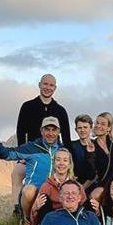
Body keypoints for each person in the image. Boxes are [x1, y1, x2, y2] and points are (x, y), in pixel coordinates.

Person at [9, 74, 68, 215]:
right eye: (45, 84)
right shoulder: (27, 106)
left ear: (55, 88)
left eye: (51, 85)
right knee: (16, 173)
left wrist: (66, 158)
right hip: (31, 152)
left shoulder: (60, 110)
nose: (48, 88)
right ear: (39, 85)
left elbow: (66, 136)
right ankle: (18, 209)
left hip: (53, 154)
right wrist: (22, 156)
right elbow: (21, 131)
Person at [0, 116, 65, 224]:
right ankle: (26, 220)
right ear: (41, 131)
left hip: (53, 193)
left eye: (54, 130)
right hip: (33, 193)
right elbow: (9, 154)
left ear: (59, 132)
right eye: (47, 129)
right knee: (29, 191)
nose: (50, 133)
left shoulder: (63, 150)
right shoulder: (31, 148)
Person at [68, 113, 113, 200]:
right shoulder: (92, 146)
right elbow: (91, 172)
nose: (98, 126)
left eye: (103, 124)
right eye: (97, 123)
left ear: (109, 128)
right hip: (99, 185)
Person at [25, 148, 77, 225]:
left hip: (71, 220)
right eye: (58, 160)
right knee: (44, 201)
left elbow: (83, 209)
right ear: (53, 163)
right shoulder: (46, 186)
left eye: (65, 160)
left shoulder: (76, 186)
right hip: (52, 222)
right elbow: (36, 215)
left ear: (70, 164)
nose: (61, 163)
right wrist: (35, 208)